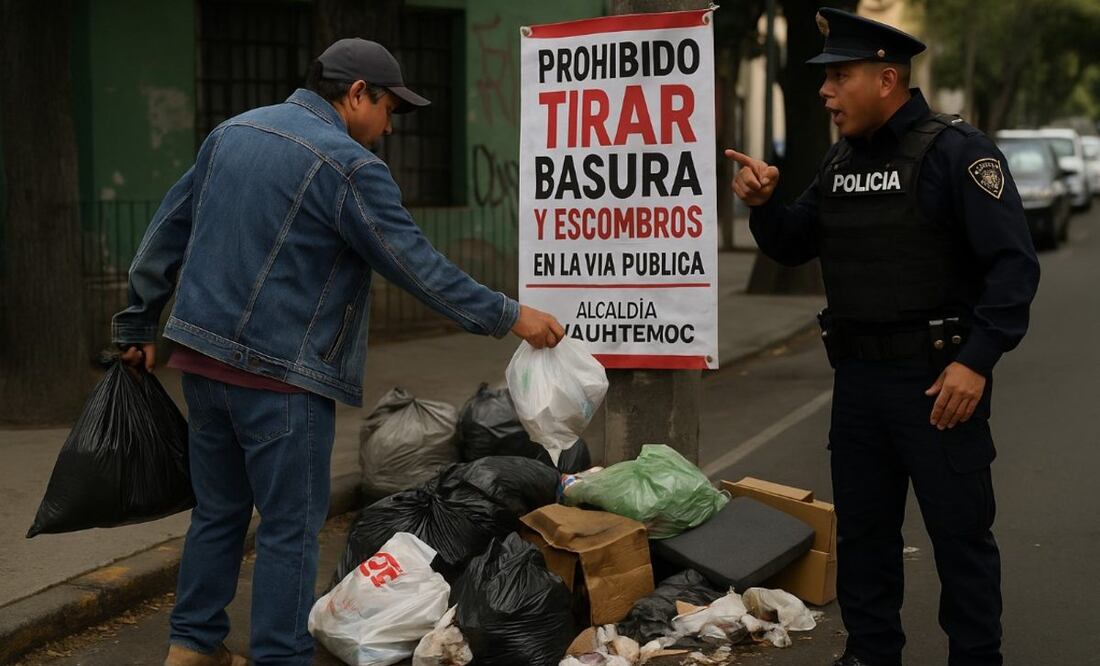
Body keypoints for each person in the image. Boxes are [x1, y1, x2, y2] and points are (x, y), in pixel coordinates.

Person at [112, 38, 564, 666]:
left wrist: (137, 321)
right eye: (388, 110)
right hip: (281, 378)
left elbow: (165, 230)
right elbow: (417, 265)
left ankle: (191, 647)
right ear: (356, 93)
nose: (388, 128)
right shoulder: (349, 166)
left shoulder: (232, 134)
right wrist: (510, 314)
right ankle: (279, 656)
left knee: (218, 513)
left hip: (200, 366)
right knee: (290, 530)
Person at [726, 8, 1039, 666]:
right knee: (865, 543)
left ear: (887, 78)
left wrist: (976, 363)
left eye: (840, 76)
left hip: (939, 384)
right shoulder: (840, 161)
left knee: (959, 542)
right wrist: (763, 206)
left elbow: (1013, 267)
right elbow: (792, 243)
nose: (825, 92)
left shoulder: (958, 153)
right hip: (860, 387)